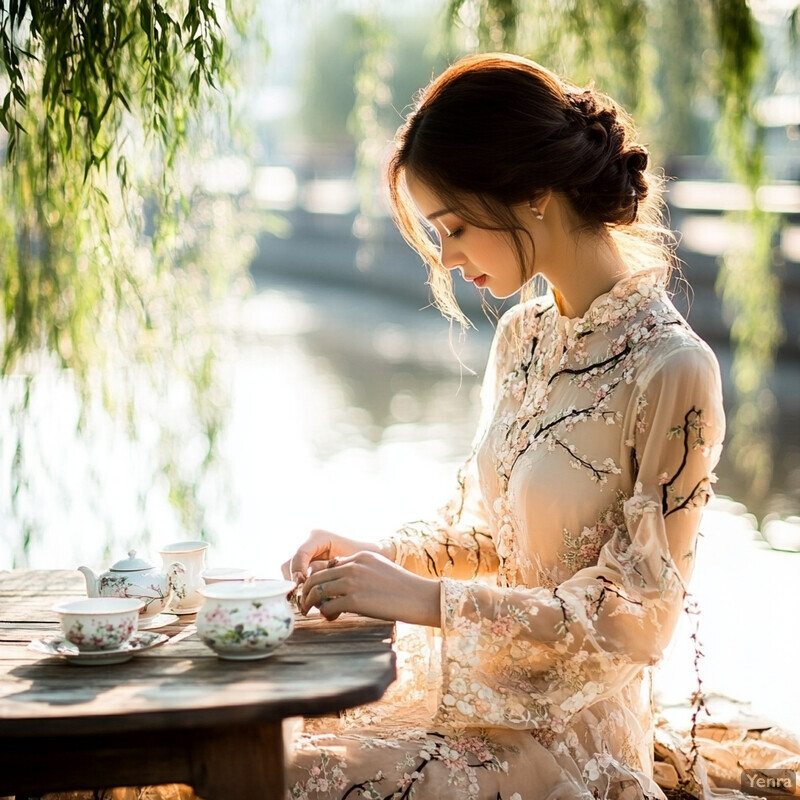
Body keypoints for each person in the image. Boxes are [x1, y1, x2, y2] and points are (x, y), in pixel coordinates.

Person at [281, 53, 740, 800]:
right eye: (438, 231)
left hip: (569, 734)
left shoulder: (673, 369)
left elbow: (642, 619)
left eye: (454, 225)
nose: (447, 257)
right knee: (277, 738)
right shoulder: (523, 337)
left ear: (533, 194)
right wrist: (377, 557)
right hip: (485, 692)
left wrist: (422, 601)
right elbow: (492, 536)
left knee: (312, 778)